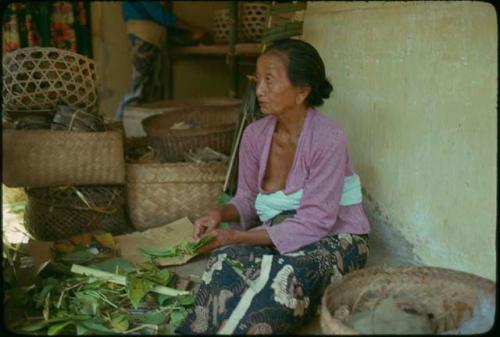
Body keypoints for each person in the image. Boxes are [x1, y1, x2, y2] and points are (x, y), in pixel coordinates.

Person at [176, 38, 371, 334]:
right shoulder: (254, 135)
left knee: (283, 278)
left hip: (337, 235)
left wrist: (238, 236)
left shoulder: (328, 139)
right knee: (224, 260)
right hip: (283, 227)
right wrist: (219, 214)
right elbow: (246, 199)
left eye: (270, 80)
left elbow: (316, 223)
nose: (259, 91)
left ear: (302, 91)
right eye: (258, 79)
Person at [115, 1, 206, 119]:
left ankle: (126, 127)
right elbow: (160, 15)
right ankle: (117, 125)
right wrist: (193, 29)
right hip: (146, 41)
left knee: (147, 91)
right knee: (137, 89)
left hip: (146, 40)